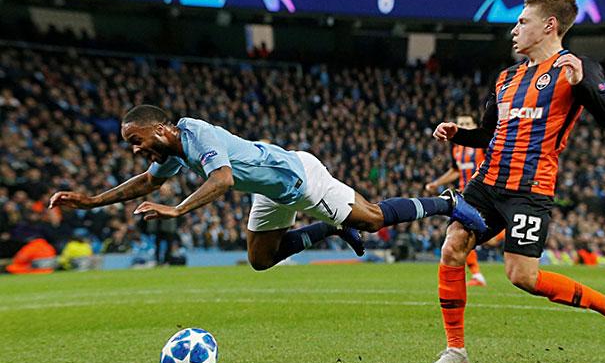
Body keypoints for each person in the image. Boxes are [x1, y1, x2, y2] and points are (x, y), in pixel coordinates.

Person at [426, 0, 605, 363]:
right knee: (452, 248)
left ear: (549, 25)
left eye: (522, 22)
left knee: (523, 276)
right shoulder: (506, 78)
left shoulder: (576, 66)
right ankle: (456, 351)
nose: (514, 30)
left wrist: (583, 85)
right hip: (486, 183)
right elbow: (488, 133)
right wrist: (458, 135)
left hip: (529, 190)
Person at [49, 105, 487, 270]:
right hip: (272, 193)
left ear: (160, 129)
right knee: (261, 260)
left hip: (298, 176)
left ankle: (444, 202)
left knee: (371, 220)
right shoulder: (173, 153)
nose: (136, 150)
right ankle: (331, 229)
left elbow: (222, 179)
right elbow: (145, 183)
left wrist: (178, 211)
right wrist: (89, 202)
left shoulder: (197, 134)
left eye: (137, 141)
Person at [426, 114, 488, 286]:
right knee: (461, 231)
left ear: (475, 125)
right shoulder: (456, 148)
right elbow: (455, 170)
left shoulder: (483, 145)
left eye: (468, 123)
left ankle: (476, 273)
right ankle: (476, 275)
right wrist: (435, 183)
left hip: (483, 193)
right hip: (465, 195)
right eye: (461, 123)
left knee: (469, 233)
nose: (464, 125)